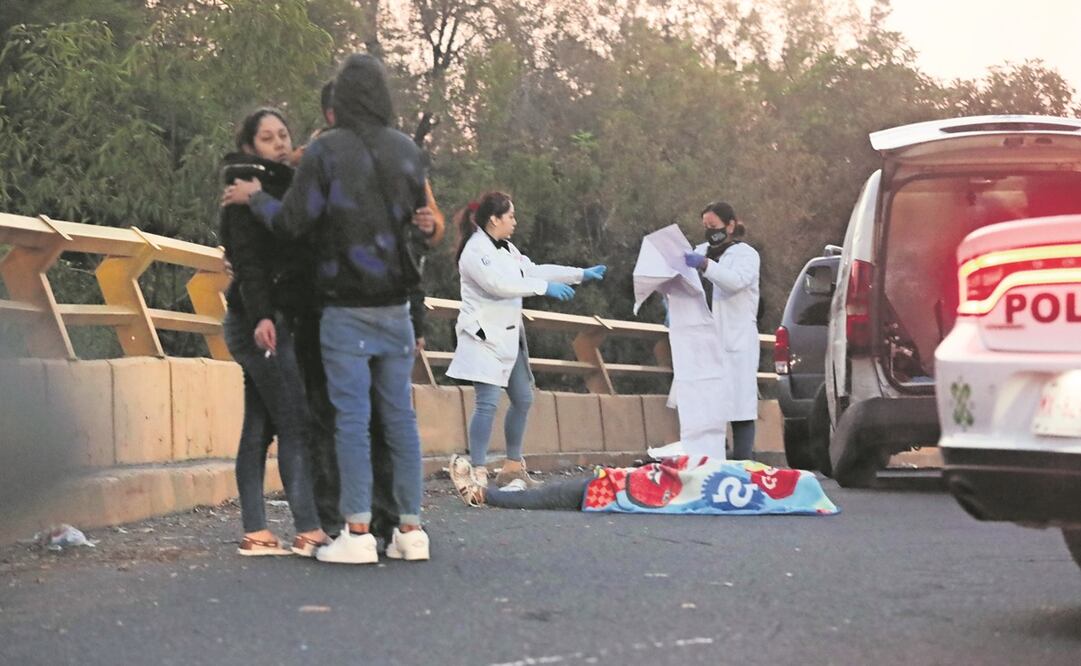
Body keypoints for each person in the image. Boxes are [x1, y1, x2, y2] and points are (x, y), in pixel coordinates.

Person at [223, 54, 431, 565]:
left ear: (339, 100)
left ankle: (357, 532)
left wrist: (256, 198)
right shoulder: (408, 151)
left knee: (351, 420)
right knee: (400, 420)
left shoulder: (327, 151)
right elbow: (416, 225)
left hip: (345, 308)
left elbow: (294, 222)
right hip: (397, 307)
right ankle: (411, 529)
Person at [291, 79, 444, 545]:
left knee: (363, 418)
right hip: (329, 305)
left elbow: (432, 225)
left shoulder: (390, 157)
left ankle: (372, 521)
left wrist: (430, 224)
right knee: (349, 418)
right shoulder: (320, 154)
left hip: (365, 303)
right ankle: (377, 522)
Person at [219, 108, 328, 557]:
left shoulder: (270, 188)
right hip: (260, 321)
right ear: (250, 147)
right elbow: (248, 262)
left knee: (260, 426)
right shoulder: (243, 190)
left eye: (285, 134)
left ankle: (255, 531)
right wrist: (263, 315)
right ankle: (308, 528)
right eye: (268, 138)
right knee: (294, 422)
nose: (280, 143)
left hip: (266, 318)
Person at [445, 191, 606, 488]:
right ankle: (478, 469)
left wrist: (579, 274)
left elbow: (531, 270)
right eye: (510, 216)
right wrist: (543, 288)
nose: (515, 222)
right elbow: (499, 285)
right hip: (484, 336)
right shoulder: (475, 250)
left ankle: (512, 466)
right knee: (487, 403)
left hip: (508, 336)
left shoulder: (506, 247)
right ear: (494, 219)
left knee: (522, 398)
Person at [446, 454, 839, 516]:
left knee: (556, 496)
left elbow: (694, 478)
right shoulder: (753, 484)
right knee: (556, 495)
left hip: (625, 488)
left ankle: (485, 495)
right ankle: (495, 494)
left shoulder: (747, 486)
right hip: (634, 484)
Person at [682, 201, 761, 460]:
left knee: (740, 407)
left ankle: (742, 463)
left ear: (730, 225)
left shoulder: (746, 255)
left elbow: (735, 282)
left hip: (737, 340)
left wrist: (705, 265)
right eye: (705, 226)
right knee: (708, 409)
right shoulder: (701, 250)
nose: (709, 231)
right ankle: (714, 462)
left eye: (713, 226)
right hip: (705, 341)